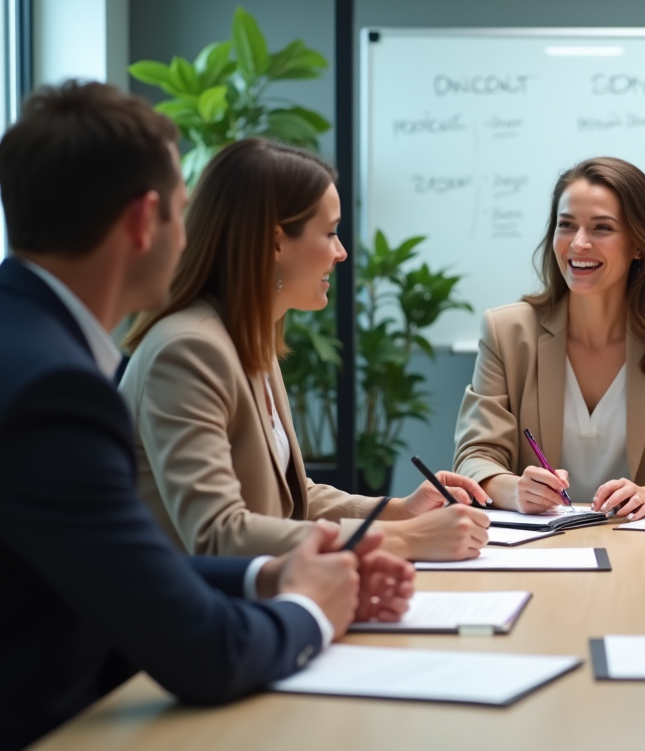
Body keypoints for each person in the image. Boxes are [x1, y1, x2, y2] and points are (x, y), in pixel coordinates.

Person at [0, 81, 414, 751]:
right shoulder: (56, 389)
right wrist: (311, 608)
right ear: (143, 222)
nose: (192, 237)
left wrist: (277, 574)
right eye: (182, 214)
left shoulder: (30, 345)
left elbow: (120, 570)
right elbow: (200, 647)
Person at [120, 138, 490, 560]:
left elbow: (290, 503)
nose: (341, 252)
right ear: (276, 242)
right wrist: (408, 541)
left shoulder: (247, 339)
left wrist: (401, 512)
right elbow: (218, 535)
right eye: (331, 232)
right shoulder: (188, 351)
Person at [453, 157, 645, 518]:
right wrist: (517, 491)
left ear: (639, 245)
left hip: (641, 543)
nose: (579, 243)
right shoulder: (507, 332)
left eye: (602, 228)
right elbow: (474, 457)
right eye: (567, 225)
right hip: (539, 545)